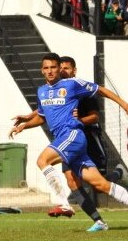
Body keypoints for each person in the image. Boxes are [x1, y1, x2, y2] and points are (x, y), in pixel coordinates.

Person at [9, 53, 128, 231]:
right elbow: (42, 117)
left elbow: (101, 90)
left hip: (73, 136)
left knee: (43, 160)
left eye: (53, 67)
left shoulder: (71, 85)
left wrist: (124, 105)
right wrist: (24, 126)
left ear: (59, 69)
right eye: (46, 68)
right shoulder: (42, 91)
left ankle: (63, 203)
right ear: (42, 70)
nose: (50, 71)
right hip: (64, 140)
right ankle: (100, 223)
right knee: (99, 184)